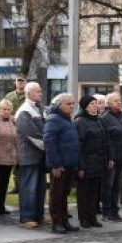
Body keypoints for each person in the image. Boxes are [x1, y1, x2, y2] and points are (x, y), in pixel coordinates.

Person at [43, 93, 80, 234]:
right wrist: (56, 164)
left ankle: (64, 221)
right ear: (59, 105)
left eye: (73, 103)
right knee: (57, 195)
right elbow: (49, 142)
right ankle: (56, 222)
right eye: (68, 104)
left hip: (69, 164)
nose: (72, 106)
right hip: (59, 165)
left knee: (64, 194)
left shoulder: (67, 119)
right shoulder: (53, 119)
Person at [15, 82, 47, 229]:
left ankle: (39, 216)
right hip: (29, 156)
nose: (41, 93)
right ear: (29, 94)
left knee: (40, 187)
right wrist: (48, 144)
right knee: (29, 187)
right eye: (37, 91)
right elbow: (31, 135)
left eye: (40, 91)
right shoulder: (24, 111)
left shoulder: (40, 108)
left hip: (40, 155)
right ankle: (27, 217)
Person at [75, 96, 108, 228]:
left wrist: (108, 158)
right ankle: (83, 218)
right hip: (86, 162)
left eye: (96, 103)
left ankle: (92, 217)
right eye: (92, 103)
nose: (95, 105)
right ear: (85, 106)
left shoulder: (99, 120)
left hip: (98, 162)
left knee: (94, 192)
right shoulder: (80, 121)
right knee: (84, 192)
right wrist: (81, 166)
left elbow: (106, 140)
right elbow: (79, 145)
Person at [100, 92, 122, 222]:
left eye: (119, 100)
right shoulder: (105, 118)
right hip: (111, 159)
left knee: (118, 186)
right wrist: (110, 157)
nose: (119, 103)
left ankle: (114, 211)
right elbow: (106, 140)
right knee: (109, 186)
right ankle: (106, 212)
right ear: (108, 104)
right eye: (115, 101)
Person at [0, 99, 17, 216]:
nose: (6, 111)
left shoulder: (13, 121)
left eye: (8, 109)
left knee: (5, 184)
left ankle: (1, 206)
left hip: (10, 158)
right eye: (4, 109)